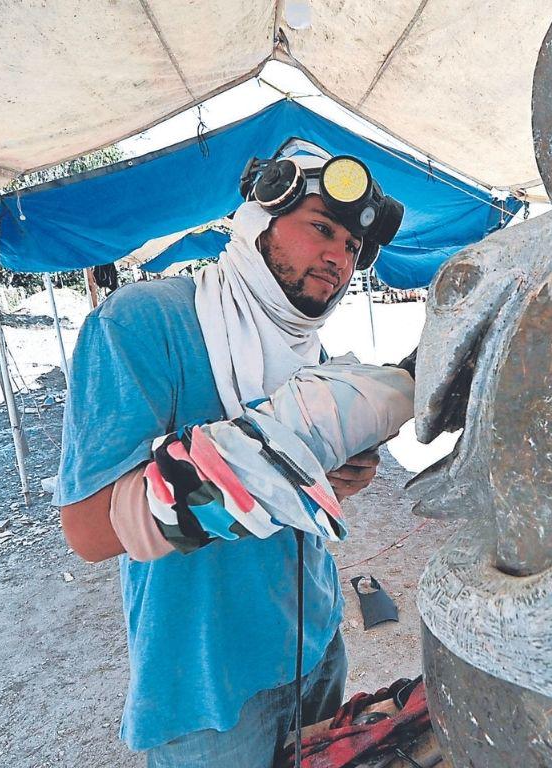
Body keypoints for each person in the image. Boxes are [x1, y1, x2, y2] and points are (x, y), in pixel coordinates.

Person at [54, 140, 413, 767]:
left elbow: (293, 476)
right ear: (259, 220)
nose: (338, 257)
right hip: (207, 685)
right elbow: (87, 531)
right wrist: (283, 457)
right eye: (321, 228)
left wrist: (326, 475)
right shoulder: (143, 322)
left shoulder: (311, 356)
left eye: (353, 248)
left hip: (316, 646)